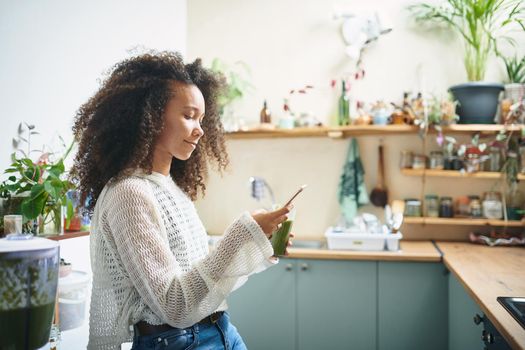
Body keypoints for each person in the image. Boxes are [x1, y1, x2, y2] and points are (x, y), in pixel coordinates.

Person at [71, 51, 292, 350]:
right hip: (179, 341)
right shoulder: (129, 193)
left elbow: (201, 281)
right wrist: (242, 233)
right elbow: (176, 305)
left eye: (201, 119)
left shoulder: (171, 188)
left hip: (220, 331)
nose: (200, 129)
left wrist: (258, 242)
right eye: (188, 116)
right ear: (151, 114)